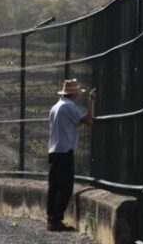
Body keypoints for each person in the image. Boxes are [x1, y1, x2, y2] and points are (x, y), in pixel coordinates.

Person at [46, 79, 96, 232]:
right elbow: (88, 120)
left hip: (53, 150)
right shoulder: (69, 107)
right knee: (66, 187)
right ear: (73, 94)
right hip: (64, 151)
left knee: (54, 186)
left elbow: (75, 123)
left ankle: (51, 218)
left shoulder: (56, 107)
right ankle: (56, 220)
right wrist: (91, 101)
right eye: (78, 93)